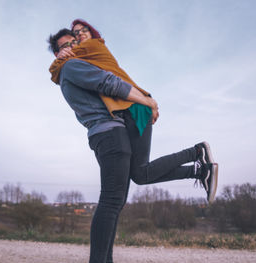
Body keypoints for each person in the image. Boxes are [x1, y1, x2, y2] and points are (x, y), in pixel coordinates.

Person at [48, 20, 218, 263]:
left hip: (109, 134)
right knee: (113, 201)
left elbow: (110, 78)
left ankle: (197, 159)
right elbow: (109, 83)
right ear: (58, 53)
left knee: (114, 202)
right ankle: (196, 158)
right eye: (66, 44)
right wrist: (148, 101)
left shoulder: (74, 65)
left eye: (75, 42)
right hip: (108, 135)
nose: (72, 46)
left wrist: (144, 102)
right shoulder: (71, 66)